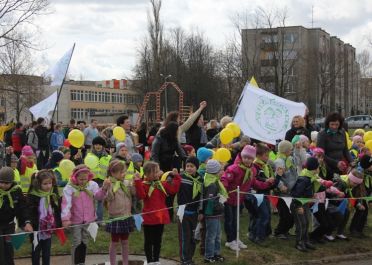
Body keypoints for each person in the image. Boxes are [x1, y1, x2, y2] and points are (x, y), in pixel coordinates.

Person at [222, 145, 274, 250]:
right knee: (229, 220)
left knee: (236, 220)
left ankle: (236, 239)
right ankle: (230, 240)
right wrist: (223, 192)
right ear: (242, 156)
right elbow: (224, 180)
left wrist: (267, 184)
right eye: (245, 157)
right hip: (228, 198)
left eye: (250, 158)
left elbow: (255, 183)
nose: (247, 160)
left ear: (253, 159)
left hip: (238, 200)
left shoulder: (252, 171)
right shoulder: (234, 168)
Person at [61, 165, 110, 265]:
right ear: (75, 177)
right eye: (80, 179)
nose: (83, 181)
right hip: (76, 220)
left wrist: (104, 188)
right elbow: (66, 204)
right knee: (77, 242)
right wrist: (65, 219)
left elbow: (98, 197)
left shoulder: (92, 185)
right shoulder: (69, 188)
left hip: (88, 220)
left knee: (85, 241)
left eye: (85, 179)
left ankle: (82, 262)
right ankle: (75, 262)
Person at [134, 161, 181, 264]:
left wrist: (176, 176)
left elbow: (174, 189)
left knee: (157, 240)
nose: (157, 173)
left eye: (157, 171)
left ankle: (156, 259)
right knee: (148, 241)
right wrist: (137, 181)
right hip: (149, 217)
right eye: (154, 172)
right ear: (146, 173)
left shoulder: (162, 184)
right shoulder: (144, 185)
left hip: (160, 217)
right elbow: (141, 195)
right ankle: (150, 260)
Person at [151, 121, 186, 220]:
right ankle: (159, 212)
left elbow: (180, 151)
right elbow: (154, 155)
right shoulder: (159, 139)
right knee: (160, 191)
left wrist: (187, 160)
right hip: (160, 166)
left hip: (171, 166)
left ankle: (169, 213)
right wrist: (158, 169)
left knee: (170, 189)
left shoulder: (174, 139)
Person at [27, 170, 61, 265]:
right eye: (45, 184)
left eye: (50, 183)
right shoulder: (33, 196)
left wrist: (57, 222)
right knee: (36, 250)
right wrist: (30, 224)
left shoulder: (51, 194)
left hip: (48, 228)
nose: (48, 186)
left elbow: (57, 209)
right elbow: (29, 212)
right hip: (36, 228)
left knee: (47, 251)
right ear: (38, 184)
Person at [0, 167, 33, 265]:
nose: (3, 185)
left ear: (12, 182)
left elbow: (23, 207)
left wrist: (26, 222)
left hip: (9, 225)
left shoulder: (16, 191)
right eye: (1, 182)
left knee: (9, 248)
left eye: (6, 183)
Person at [105, 160, 135, 265]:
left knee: (125, 242)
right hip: (116, 217)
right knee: (114, 242)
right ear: (113, 173)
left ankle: (125, 262)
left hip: (126, 216)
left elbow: (134, 193)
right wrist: (108, 188)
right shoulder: (110, 184)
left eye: (124, 172)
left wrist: (135, 183)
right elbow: (109, 198)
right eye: (121, 172)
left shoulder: (127, 183)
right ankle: (112, 263)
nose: (124, 174)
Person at [290, 157, 321, 252]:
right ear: (315, 169)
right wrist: (299, 206)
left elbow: (307, 190)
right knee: (301, 224)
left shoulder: (310, 177)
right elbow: (296, 193)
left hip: (305, 204)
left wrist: (312, 194)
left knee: (307, 223)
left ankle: (305, 241)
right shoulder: (304, 179)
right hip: (297, 205)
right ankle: (299, 243)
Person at [177, 157, 203, 265]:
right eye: (187, 166)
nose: (189, 168)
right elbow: (172, 183)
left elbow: (202, 197)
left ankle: (190, 257)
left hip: (194, 213)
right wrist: (171, 176)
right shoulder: (181, 177)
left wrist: (201, 211)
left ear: (196, 167)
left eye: (191, 166)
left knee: (192, 237)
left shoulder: (200, 180)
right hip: (183, 212)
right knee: (184, 237)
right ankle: (184, 259)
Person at [317, 112, 354, 180]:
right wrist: (336, 163)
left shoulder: (342, 132)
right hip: (327, 167)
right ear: (328, 123)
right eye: (332, 124)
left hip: (340, 166)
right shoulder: (322, 134)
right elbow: (320, 154)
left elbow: (345, 150)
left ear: (340, 124)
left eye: (336, 124)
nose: (334, 127)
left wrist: (351, 161)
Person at [203, 159, 226, 263]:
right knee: (211, 236)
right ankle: (208, 256)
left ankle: (216, 253)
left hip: (216, 213)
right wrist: (221, 206)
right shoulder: (212, 184)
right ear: (216, 171)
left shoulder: (213, 180)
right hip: (212, 213)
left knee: (217, 235)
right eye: (221, 170)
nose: (222, 171)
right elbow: (210, 201)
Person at [273, 140, 297, 239]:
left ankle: (285, 230)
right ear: (285, 150)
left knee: (291, 215)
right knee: (285, 215)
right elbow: (277, 177)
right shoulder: (279, 161)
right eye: (290, 149)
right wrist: (281, 186)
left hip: (291, 192)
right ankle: (279, 232)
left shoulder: (289, 159)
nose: (291, 151)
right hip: (282, 194)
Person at [89, 136, 112, 222]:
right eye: (96, 144)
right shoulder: (89, 156)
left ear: (103, 146)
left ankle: (99, 220)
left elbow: (110, 169)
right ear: (93, 145)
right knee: (91, 201)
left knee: (100, 202)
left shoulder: (108, 157)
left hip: (102, 181)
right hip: (91, 181)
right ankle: (91, 219)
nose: (98, 146)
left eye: (100, 144)